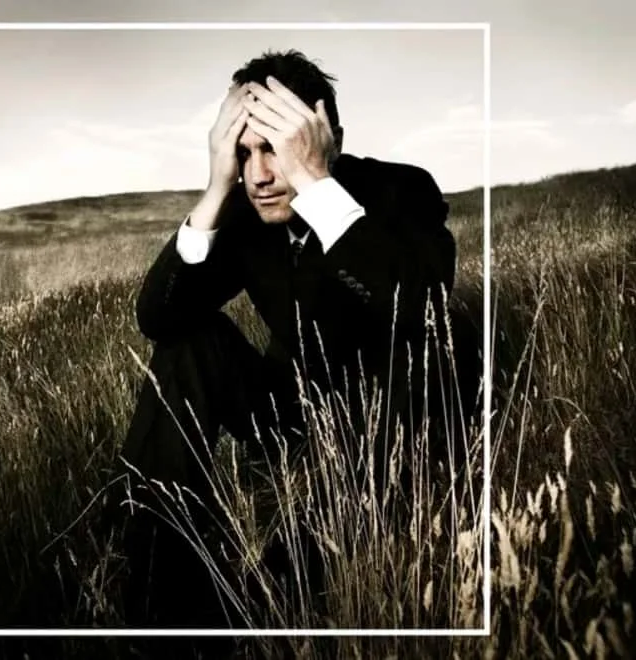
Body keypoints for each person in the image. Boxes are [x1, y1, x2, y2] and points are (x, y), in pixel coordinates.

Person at [109, 49, 481, 634]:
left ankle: (271, 603)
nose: (258, 175)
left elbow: (420, 306)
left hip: (390, 421)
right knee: (188, 342)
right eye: (243, 153)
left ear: (324, 136)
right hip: (291, 414)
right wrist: (213, 192)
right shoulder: (245, 213)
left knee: (283, 590)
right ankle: (152, 586)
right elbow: (160, 318)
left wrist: (314, 183)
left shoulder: (399, 189)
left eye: (275, 149)